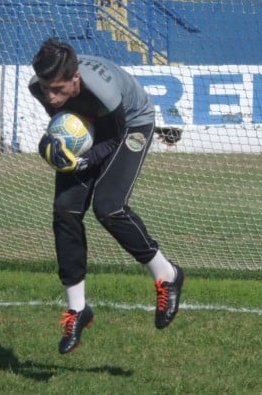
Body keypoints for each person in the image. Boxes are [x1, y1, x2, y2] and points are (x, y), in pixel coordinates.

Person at [29, 38, 184, 354]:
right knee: (65, 211)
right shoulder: (40, 87)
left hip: (131, 123)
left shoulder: (104, 91)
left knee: (108, 206)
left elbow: (113, 137)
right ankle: (77, 310)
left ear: (75, 79)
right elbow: (66, 121)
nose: (51, 96)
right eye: (47, 89)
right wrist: (57, 146)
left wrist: (83, 160)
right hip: (92, 126)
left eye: (58, 89)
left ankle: (167, 275)